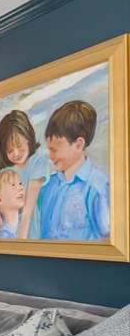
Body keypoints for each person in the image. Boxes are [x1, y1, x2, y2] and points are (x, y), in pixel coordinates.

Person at [38, 100, 110, 241]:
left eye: (55, 150)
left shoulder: (97, 186)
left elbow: (108, 238)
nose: (50, 157)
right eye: (49, 150)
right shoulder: (47, 185)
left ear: (78, 145)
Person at [0, 110, 48, 239]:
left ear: (28, 138)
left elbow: (28, 211)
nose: (16, 153)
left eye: (19, 145)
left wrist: (20, 241)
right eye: (10, 150)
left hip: (31, 234)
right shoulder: (2, 173)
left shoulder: (39, 159)